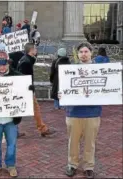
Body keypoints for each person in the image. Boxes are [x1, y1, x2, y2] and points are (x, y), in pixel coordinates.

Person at [58, 43, 102, 179]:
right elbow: (63, 88)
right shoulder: (70, 71)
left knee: (90, 142)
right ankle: (72, 165)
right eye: (81, 51)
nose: (83, 54)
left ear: (91, 53)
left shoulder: (100, 70)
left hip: (92, 113)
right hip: (74, 112)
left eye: (86, 51)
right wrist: (61, 94)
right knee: (73, 141)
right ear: (77, 54)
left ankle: (89, 166)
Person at [17, 43, 56, 137]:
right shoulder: (26, 62)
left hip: (25, 89)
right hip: (26, 90)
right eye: (35, 49)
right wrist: (29, 89)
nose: (37, 50)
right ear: (31, 50)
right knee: (34, 108)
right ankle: (42, 129)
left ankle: (15, 131)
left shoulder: (26, 59)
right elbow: (24, 77)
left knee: (20, 110)